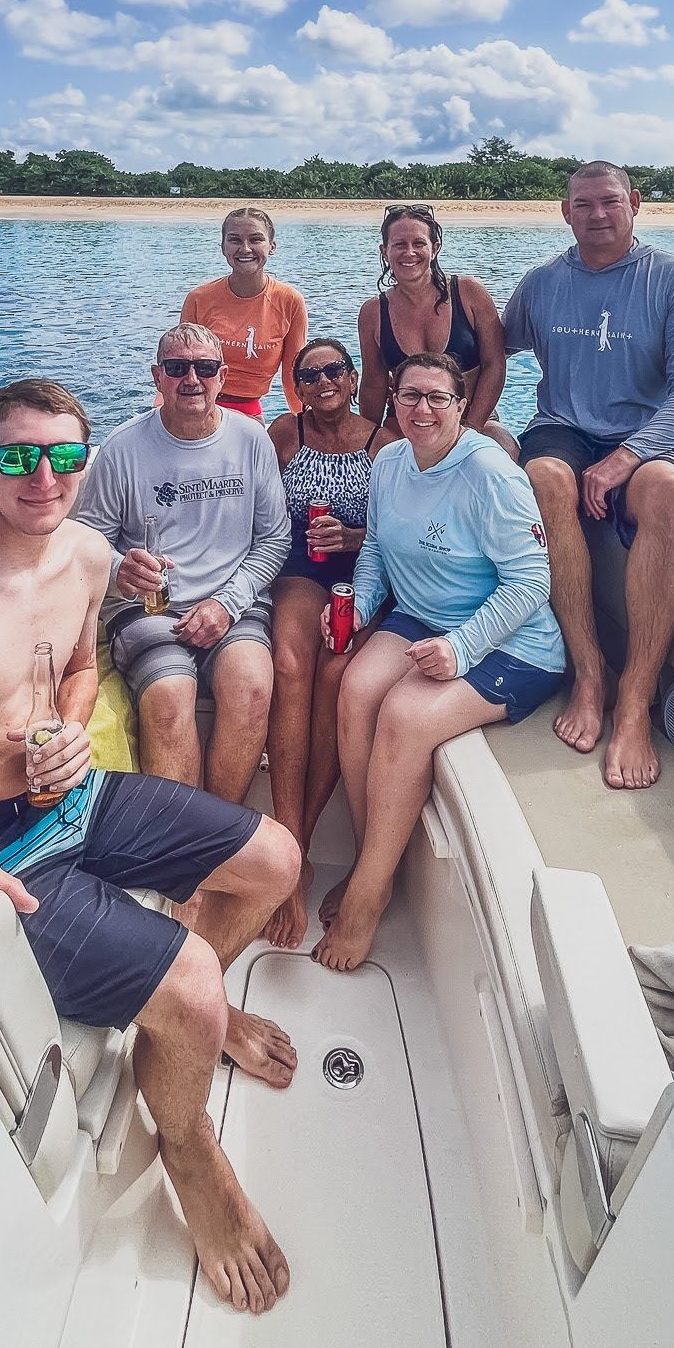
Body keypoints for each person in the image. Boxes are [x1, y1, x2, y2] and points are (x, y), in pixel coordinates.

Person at [0, 378, 301, 1316]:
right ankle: (188, 1140)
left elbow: (83, 666)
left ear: (83, 463)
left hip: (66, 793)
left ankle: (182, 1027)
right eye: (16, 456)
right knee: (197, 985)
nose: (41, 476)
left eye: (60, 456)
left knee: (278, 860)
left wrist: (74, 727)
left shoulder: (86, 553)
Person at [313, 353, 566, 974]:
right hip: (421, 618)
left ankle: (369, 894)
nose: (421, 409)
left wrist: (463, 648)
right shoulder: (391, 461)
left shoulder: (490, 473)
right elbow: (374, 547)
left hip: (511, 641)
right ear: (392, 399)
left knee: (403, 712)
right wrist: (362, 602)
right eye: (409, 396)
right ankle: (375, 856)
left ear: (461, 405)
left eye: (438, 398)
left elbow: (533, 582)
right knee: (354, 686)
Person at [501, 160, 674, 791]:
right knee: (542, 476)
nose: (597, 214)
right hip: (562, 425)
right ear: (564, 212)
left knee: (672, 493)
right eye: (584, 204)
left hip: (642, 433)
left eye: (609, 202)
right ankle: (589, 671)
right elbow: (487, 351)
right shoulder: (542, 284)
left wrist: (627, 457)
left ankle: (634, 701)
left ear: (635, 204)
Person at [75, 324, 292, 803]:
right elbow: (89, 539)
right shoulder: (122, 449)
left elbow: (275, 538)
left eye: (204, 368)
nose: (191, 378)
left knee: (252, 687)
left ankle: (220, 842)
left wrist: (227, 604)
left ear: (222, 377)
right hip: (149, 605)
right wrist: (118, 569)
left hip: (232, 597)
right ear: (158, 375)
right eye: (177, 368)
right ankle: (182, 847)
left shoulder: (251, 439)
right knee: (170, 697)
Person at [263, 339, 396, 949]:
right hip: (299, 567)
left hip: (364, 572)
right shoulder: (285, 432)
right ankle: (287, 849)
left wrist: (354, 535)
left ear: (352, 376)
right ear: (296, 385)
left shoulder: (385, 442)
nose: (321, 383)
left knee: (337, 673)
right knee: (291, 663)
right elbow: (257, 509)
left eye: (333, 371)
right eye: (307, 374)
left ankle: (303, 841)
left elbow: (401, 533)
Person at [356, 204, 514, 451]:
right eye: (399, 244)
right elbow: (373, 385)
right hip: (407, 424)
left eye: (419, 243)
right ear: (384, 251)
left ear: (435, 248)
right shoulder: (372, 313)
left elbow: (495, 364)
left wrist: (470, 430)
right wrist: (366, 440)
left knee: (503, 448)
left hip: (473, 418)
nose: (409, 252)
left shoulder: (470, 293)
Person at [179, 206, 308, 420]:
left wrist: (306, 424)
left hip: (249, 413)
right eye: (235, 240)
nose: (245, 249)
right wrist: (161, 413)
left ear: (272, 246)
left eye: (256, 239)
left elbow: (293, 377)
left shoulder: (290, 301)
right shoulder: (199, 298)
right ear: (223, 247)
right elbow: (177, 367)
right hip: (196, 409)